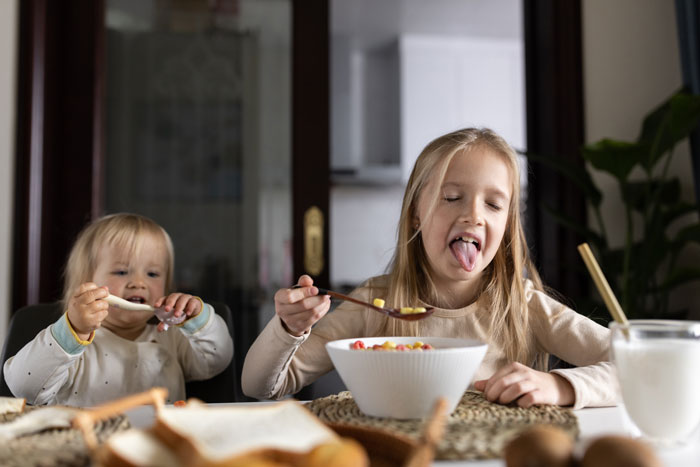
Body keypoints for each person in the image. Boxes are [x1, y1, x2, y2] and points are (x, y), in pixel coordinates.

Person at [242, 127, 617, 409]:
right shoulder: (375, 303)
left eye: (493, 205)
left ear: (506, 227)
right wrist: (289, 327)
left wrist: (560, 387)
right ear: (417, 214)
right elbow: (261, 386)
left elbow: (639, 367)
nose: (473, 215)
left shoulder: (524, 306)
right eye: (451, 197)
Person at [4, 213, 233, 406]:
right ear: (86, 283)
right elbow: (25, 388)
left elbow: (217, 359)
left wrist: (196, 319)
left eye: (152, 274)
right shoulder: (68, 345)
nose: (138, 283)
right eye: (122, 272)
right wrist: (71, 330)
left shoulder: (174, 339)